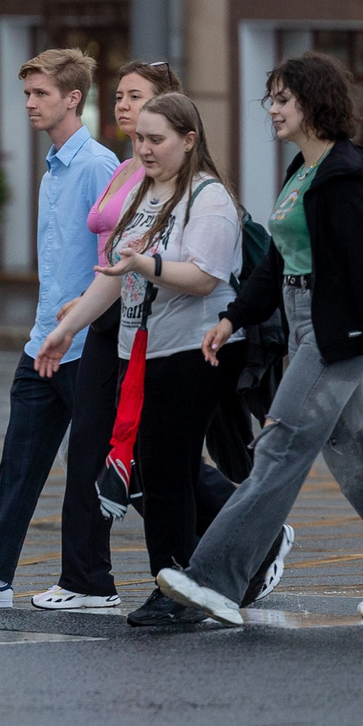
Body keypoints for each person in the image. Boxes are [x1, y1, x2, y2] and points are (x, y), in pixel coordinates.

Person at [155, 52, 363, 626]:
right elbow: (278, 262)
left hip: (338, 333)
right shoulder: (303, 172)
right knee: (362, 459)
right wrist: (235, 318)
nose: (273, 111)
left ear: (314, 105)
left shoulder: (344, 177)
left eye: (283, 100)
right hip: (307, 317)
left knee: (281, 444)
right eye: (272, 99)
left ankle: (215, 578)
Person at [39, 93, 287, 628]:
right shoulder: (144, 193)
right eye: (139, 139)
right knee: (156, 469)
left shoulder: (210, 198)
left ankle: (178, 587)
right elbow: (114, 275)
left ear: (189, 140)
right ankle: (191, 578)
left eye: (157, 140)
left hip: (197, 349)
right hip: (142, 350)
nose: (144, 150)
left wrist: (145, 263)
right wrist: (65, 331)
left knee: (165, 468)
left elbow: (204, 276)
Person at [0, 47, 120, 610]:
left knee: (123, 471)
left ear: (73, 99)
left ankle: (237, 539)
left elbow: (112, 261)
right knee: (20, 465)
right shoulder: (54, 168)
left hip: (86, 349)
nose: (30, 104)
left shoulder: (97, 167)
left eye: (41, 94)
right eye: (27, 93)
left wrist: (75, 324)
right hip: (45, 344)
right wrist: (42, 333)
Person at [30, 60, 181, 610]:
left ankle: (239, 540)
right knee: (90, 449)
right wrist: (72, 315)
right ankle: (86, 580)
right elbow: (110, 254)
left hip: (146, 320)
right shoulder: (122, 169)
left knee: (147, 455)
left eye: (135, 96)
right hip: (103, 313)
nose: (121, 105)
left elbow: (155, 261)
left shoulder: (167, 179)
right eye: (119, 96)